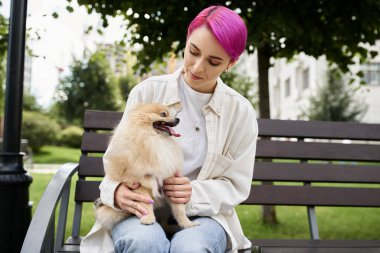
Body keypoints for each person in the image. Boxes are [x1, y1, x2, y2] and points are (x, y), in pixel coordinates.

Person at [80, 5, 258, 253]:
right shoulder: (147, 92)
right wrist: (116, 192)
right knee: (144, 243)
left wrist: (191, 193)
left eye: (214, 61)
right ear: (186, 40)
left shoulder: (240, 112)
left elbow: (236, 185)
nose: (197, 67)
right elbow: (115, 162)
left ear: (231, 63)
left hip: (205, 216)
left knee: (191, 248)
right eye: (193, 51)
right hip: (139, 209)